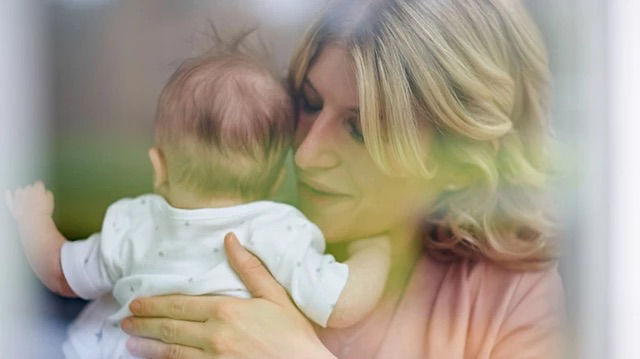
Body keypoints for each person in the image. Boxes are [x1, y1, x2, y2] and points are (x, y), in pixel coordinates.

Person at [115, 0, 566, 358]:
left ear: (460, 162)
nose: (307, 155)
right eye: (308, 103)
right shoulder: (229, 214)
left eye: (360, 129)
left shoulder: (511, 294)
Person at [4, 52, 392, 358]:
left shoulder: (134, 220)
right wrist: (376, 249)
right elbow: (341, 303)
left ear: (159, 167)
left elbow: (59, 273)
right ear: (277, 180)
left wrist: (32, 217)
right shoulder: (279, 228)